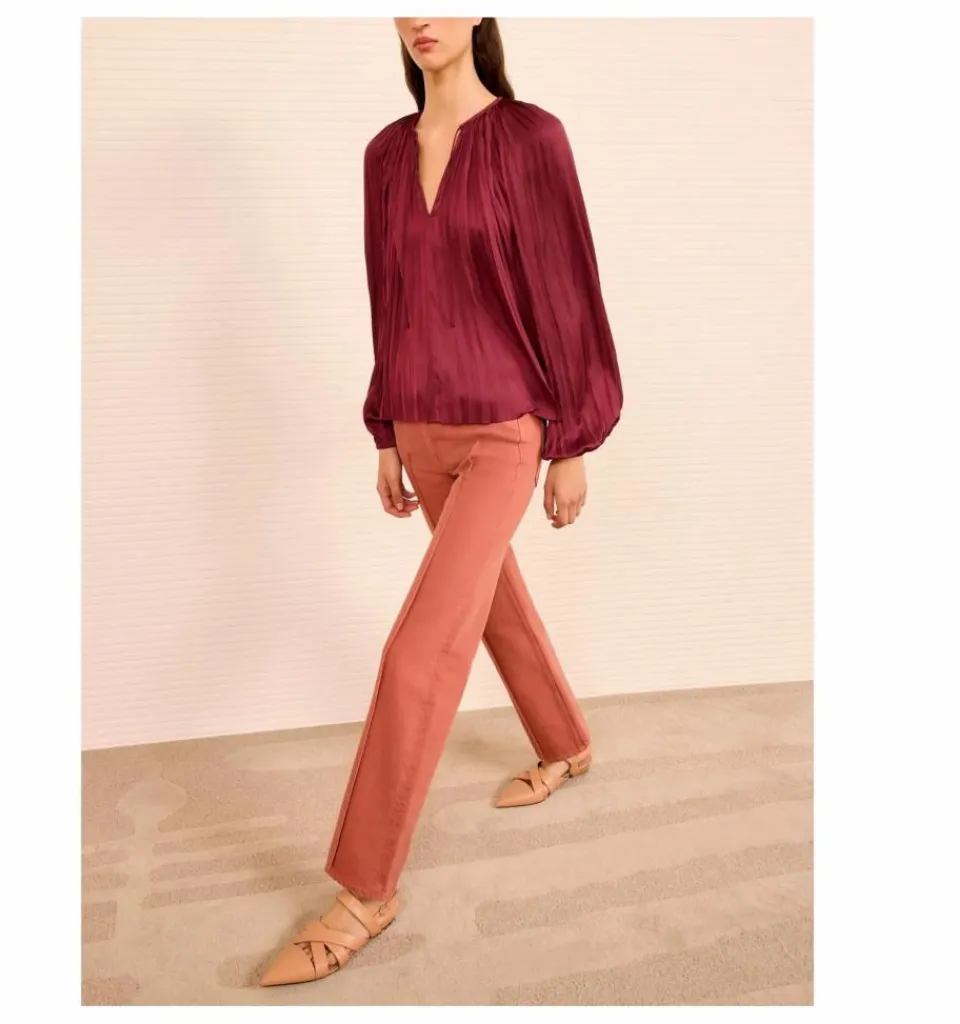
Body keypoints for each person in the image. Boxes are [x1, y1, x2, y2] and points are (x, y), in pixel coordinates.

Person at [261, 17, 623, 987]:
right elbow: (389, 297)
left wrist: (572, 442)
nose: (420, 15)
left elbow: (567, 291)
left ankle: (364, 892)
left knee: (420, 648)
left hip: (507, 428)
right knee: (491, 601)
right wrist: (385, 429)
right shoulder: (384, 154)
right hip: (419, 426)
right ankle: (566, 744)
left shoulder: (530, 138)